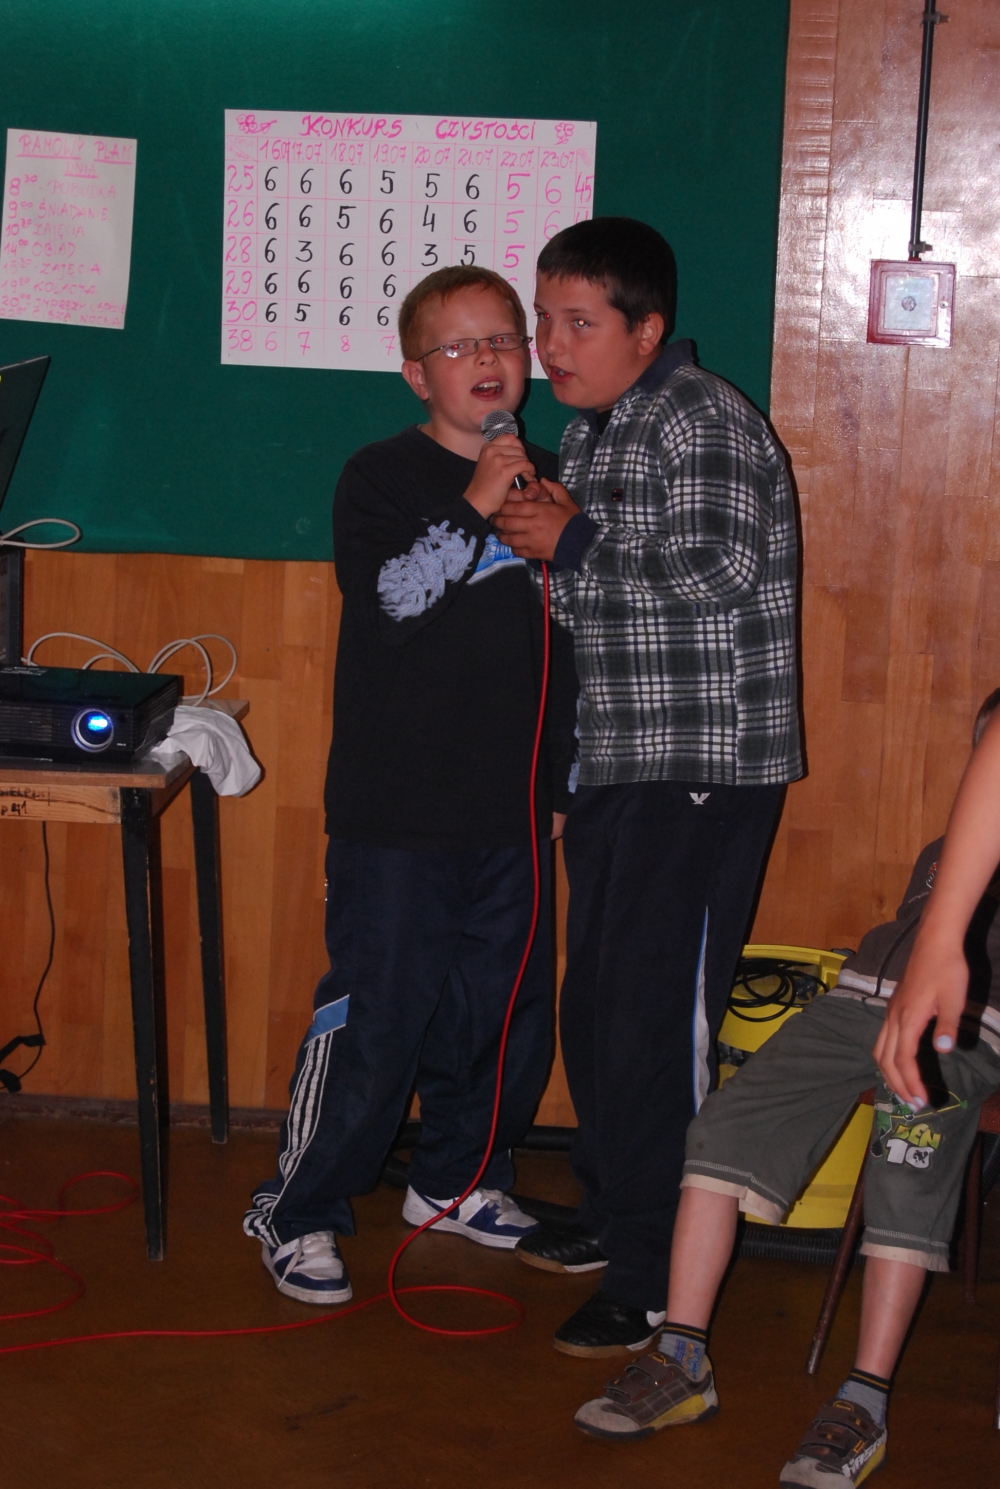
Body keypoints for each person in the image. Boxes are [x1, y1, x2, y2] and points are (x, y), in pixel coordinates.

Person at [493, 217, 802, 1356]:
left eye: (579, 323)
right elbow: (595, 602)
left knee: (654, 1025)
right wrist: (546, 548)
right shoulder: (596, 430)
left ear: (646, 328)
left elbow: (720, 569)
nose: (550, 345)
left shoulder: (697, 416)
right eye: (544, 320)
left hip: (704, 766)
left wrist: (571, 542)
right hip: (622, 760)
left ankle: (654, 1278)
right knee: (597, 1010)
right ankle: (618, 1213)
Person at [243, 266, 577, 1304]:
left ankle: (457, 1180)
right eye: (458, 346)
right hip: (397, 812)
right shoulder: (380, 477)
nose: (487, 360)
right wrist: (476, 501)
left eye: (504, 340)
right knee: (377, 1017)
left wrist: (560, 779)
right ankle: (298, 1206)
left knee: (500, 1013)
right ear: (415, 374)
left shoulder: (553, 480)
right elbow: (393, 600)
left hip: (511, 811)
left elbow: (567, 647)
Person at [570, 690, 1000, 1486]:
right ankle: (682, 1360)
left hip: (966, 1027)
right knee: (720, 1130)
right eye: (984, 755)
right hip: (856, 1004)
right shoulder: (947, 847)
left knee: (904, 1172)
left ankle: (863, 1402)